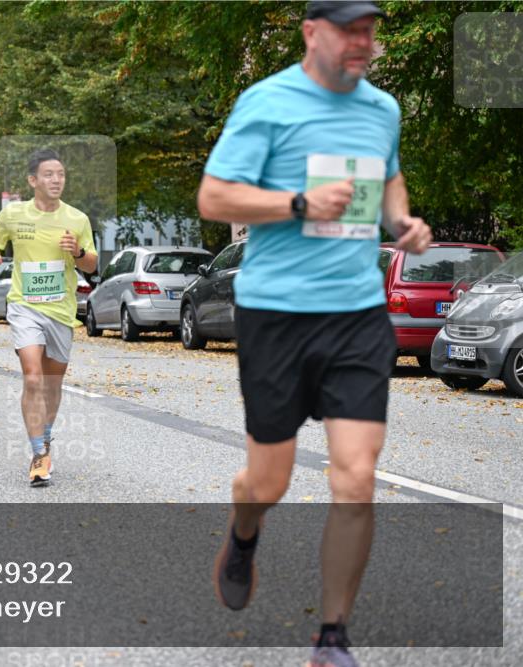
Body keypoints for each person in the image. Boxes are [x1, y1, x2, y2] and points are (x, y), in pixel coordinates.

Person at [195, 3, 432, 666]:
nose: (364, 42)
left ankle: (332, 637)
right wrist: (296, 203)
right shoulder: (266, 103)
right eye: (350, 30)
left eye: (370, 30)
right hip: (276, 312)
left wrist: (403, 222)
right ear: (311, 33)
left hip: (357, 313)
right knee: (267, 481)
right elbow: (213, 198)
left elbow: (386, 176)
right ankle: (245, 534)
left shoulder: (382, 108)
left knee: (356, 476)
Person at [0, 149, 98, 487]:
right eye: (49, 174)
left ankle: (45, 436)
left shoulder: (77, 219)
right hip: (24, 306)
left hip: (61, 310)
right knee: (33, 378)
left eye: (60, 173)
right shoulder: (14, 214)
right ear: (33, 180)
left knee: (52, 383)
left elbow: (91, 264)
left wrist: (76, 251)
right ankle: (38, 452)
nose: (56, 179)